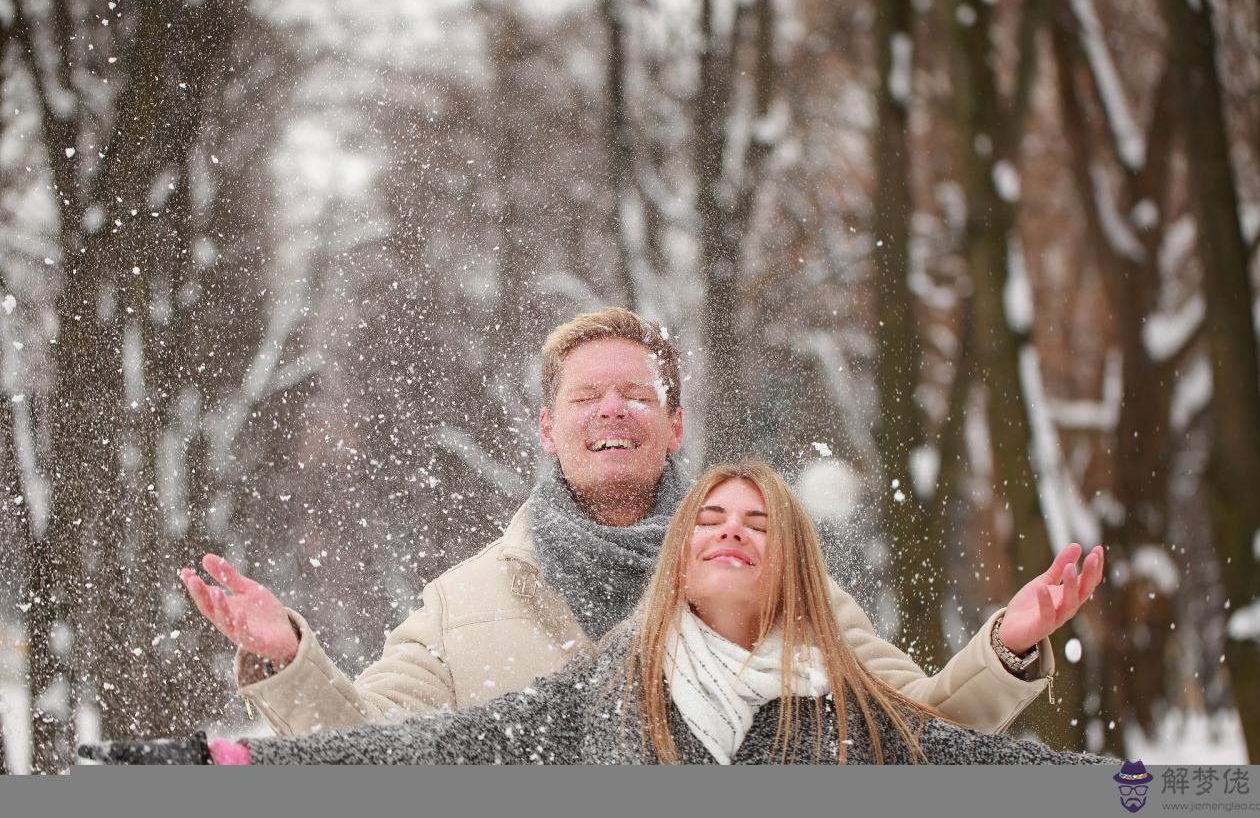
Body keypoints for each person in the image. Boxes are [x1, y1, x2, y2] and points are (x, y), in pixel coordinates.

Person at [179, 308, 1103, 737]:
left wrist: (1007, 647)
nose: (611, 410)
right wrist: (287, 656)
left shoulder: (780, 581)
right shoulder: (462, 603)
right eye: (587, 396)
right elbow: (371, 758)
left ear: (674, 425)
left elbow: (920, 736)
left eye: (635, 393)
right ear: (548, 429)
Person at [84, 461, 1111, 765]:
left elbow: (941, 746)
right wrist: (268, 688)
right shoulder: (480, 608)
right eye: (709, 519)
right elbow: (391, 759)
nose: (728, 533)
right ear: (547, 426)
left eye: (757, 522)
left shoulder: (836, 682)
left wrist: (1007, 645)